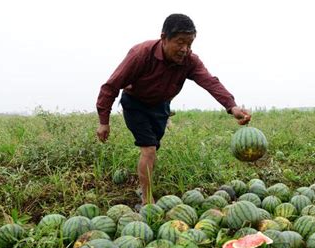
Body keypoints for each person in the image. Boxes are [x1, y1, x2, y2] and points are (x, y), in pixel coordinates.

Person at [95, 13, 251, 206]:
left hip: (161, 106)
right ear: (164, 38)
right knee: (149, 149)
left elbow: (210, 82)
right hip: (135, 104)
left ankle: (145, 185)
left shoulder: (190, 61)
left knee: (153, 148)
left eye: (190, 43)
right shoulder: (141, 54)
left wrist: (232, 106)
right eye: (180, 42)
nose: (185, 49)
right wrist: (104, 121)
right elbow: (110, 86)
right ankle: (147, 200)